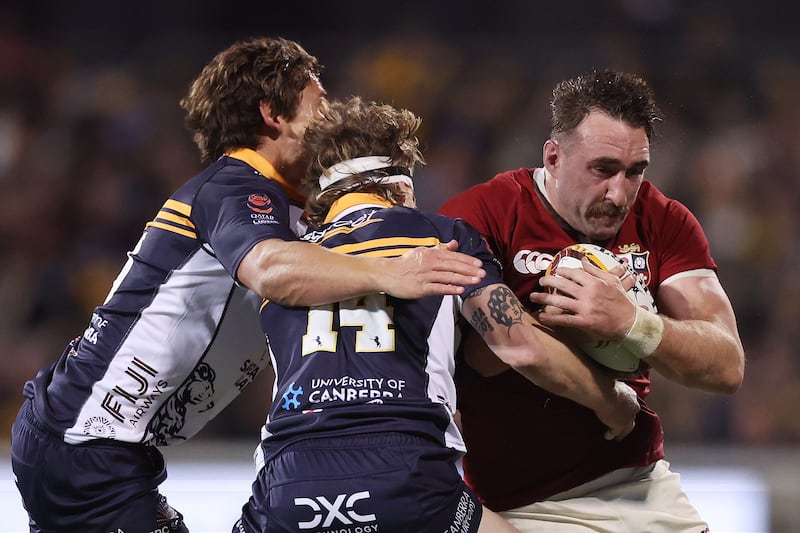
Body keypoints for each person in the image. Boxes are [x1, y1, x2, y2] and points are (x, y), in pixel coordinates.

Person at [9, 37, 488, 533]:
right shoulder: (237, 187)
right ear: (272, 115)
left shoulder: (285, 209)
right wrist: (391, 272)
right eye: (318, 105)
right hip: (86, 443)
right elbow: (271, 271)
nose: (329, 121)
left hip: (101, 445)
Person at [233, 97, 641, 533]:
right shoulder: (442, 237)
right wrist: (611, 402)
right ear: (400, 186)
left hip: (285, 486)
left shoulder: (286, 262)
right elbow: (519, 346)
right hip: (404, 476)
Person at [439, 69, 746, 532]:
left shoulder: (665, 221)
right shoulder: (479, 218)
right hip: (518, 504)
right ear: (554, 157)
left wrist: (631, 323)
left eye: (635, 172)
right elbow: (471, 360)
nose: (619, 193)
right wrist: (564, 321)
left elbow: (726, 366)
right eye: (602, 169)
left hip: (639, 483)